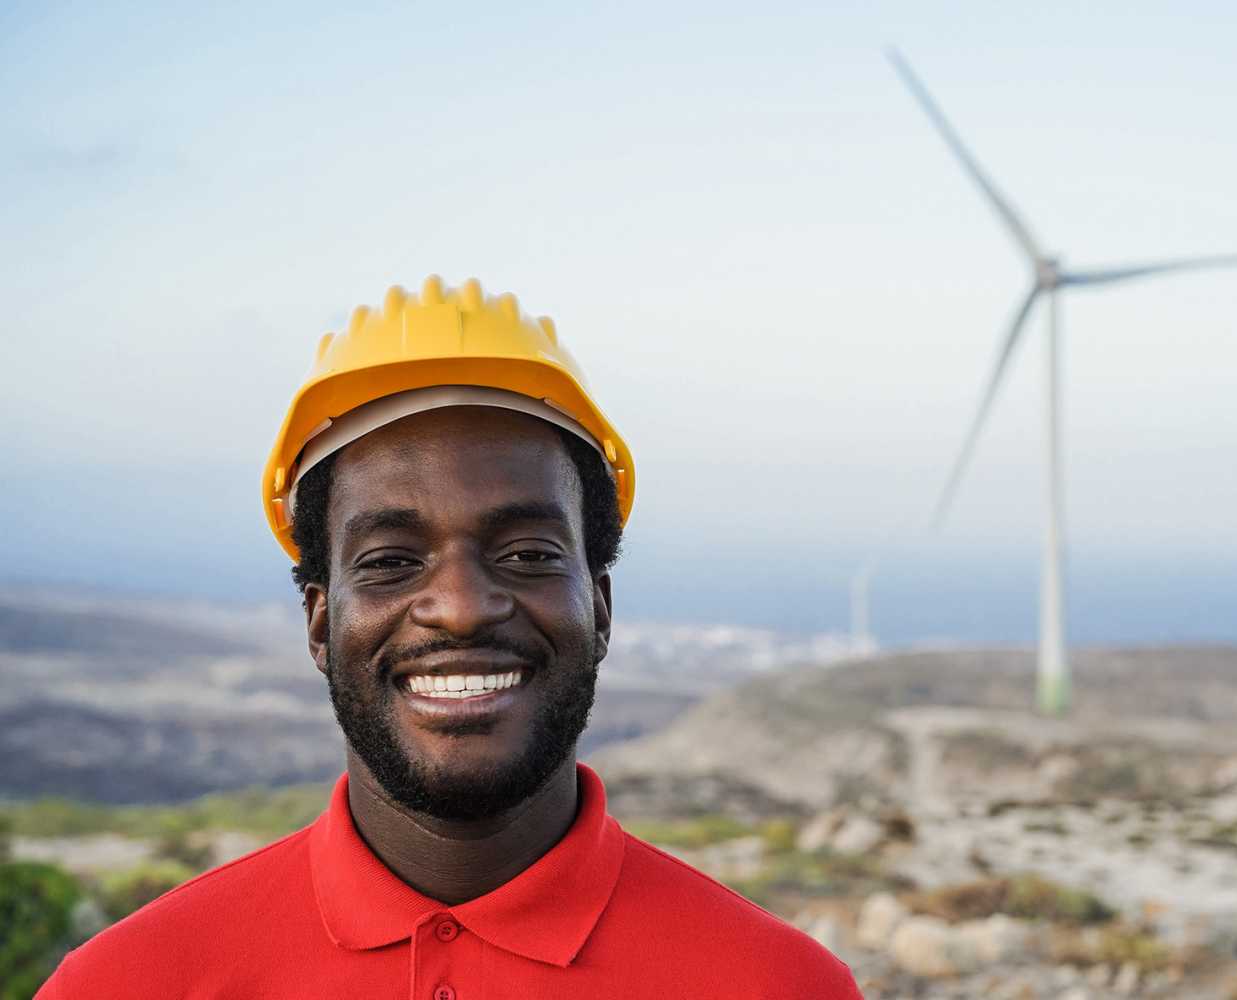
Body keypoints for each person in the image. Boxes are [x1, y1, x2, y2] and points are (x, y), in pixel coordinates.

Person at [39, 276, 863, 998]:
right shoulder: (126, 984)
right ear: (321, 623)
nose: (463, 607)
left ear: (600, 608)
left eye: (529, 553)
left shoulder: (777, 986)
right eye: (392, 560)